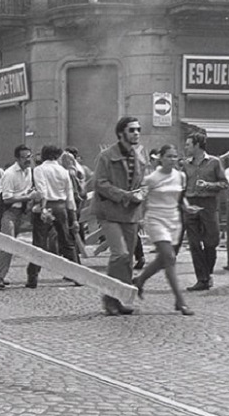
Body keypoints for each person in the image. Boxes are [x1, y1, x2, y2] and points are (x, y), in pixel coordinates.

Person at [133, 144, 198, 316]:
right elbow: (142, 198)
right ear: (160, 158)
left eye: (175, 156)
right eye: (168, 156)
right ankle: (180, 301)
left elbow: (180, 197)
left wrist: (187, 207)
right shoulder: (151, 178)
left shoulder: (181, 176)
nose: (172, 160)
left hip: (174, 220)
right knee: (169, 257)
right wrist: (139, 218)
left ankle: (139, 281)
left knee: (164, 259)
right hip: (155, 219)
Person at [92, 117, 147, 316]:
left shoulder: (140, 158)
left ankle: (121, 298)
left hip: (131, 213)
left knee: (128, 259)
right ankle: (108, 298)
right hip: (109, 212)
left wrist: (141, 197)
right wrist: (124, 195)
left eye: (139, 129)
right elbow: (99, 183)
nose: (137, 133)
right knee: (120, 254)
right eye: (132, 130)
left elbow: (141, 185)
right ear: (121, 133)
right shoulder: (106, 156)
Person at [27, 145, 80, 288]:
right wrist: (73, 217)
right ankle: (78, 275)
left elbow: (41, 189)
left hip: (46, 206)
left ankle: (33, 277)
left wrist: (42, 208)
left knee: (39, 243)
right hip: (62, 207)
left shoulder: (39, 170)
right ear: (57, 156)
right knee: (66, 241)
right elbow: (70, 196)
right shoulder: (64, 171)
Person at [182, 132, 228, 291]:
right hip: (190, 204)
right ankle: (202, 279)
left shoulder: (215, 162)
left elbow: (224, 184)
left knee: (211, 242)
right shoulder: (185, 164)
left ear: (197, 145)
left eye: (188, 144)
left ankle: (207, 275)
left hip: (208, 204)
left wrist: (208, 185)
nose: (186, 147)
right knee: (194, 244)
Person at [0, 145, 37, 290]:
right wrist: (27, 197)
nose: (28, 160)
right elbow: (7, 198)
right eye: (24, 157)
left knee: (9, 245)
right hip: (9, 212)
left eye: (29, 156)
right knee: (7, 245)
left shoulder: (29, 171)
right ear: (17, 158)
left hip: (22, 213)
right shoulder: (10, 174)